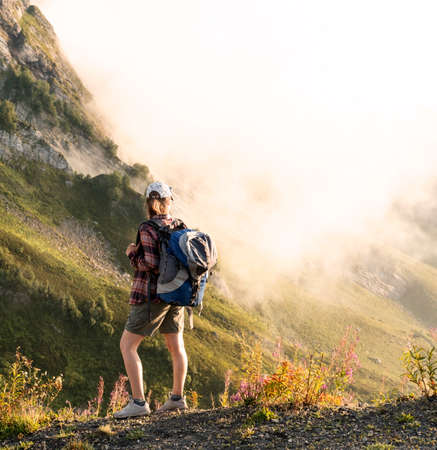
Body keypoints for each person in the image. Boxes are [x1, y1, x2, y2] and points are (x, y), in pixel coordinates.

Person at [114, 181, 188, 419]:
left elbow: (150, 264)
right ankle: (177, 398)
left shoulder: (147, 228)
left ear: (148, 203)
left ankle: (138, 402)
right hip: (176, 295)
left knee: (127, 345)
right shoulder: (179, 225)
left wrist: (131, 254)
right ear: (168, 201)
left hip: (151, 296)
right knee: (176, 346)